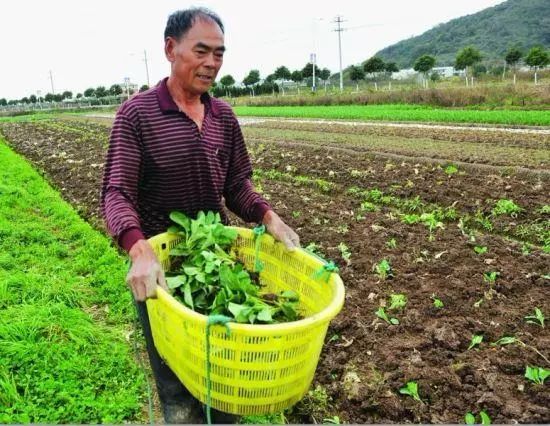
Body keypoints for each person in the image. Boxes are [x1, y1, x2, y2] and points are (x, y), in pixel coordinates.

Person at [100, 7, 299, 425]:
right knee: (177, 394)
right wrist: (139, 251)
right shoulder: (136, 115)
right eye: (202, 51)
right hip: (163, 273)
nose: (212, 63)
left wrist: (268, 217)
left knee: (227, 387)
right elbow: (116, 193)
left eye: (220, 54)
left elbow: (237, 186)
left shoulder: (223, 117)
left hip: (216, 264)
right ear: (171, 49)